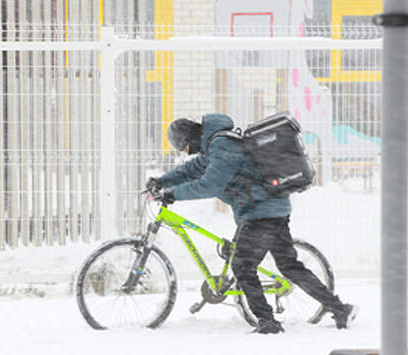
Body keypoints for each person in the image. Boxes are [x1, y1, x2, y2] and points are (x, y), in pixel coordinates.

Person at [147, 113, 358, 334]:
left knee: (243, 266)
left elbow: (210, 184)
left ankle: (267, 322)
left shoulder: (222, 146)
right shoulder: (216, 145)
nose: (188, 153)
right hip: (269, 210)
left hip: (261, 214)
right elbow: (192, 169)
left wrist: (173, 194)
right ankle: (340, 309)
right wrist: (162, 181)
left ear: (192, 138)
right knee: (289, 265)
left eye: (186, 147)